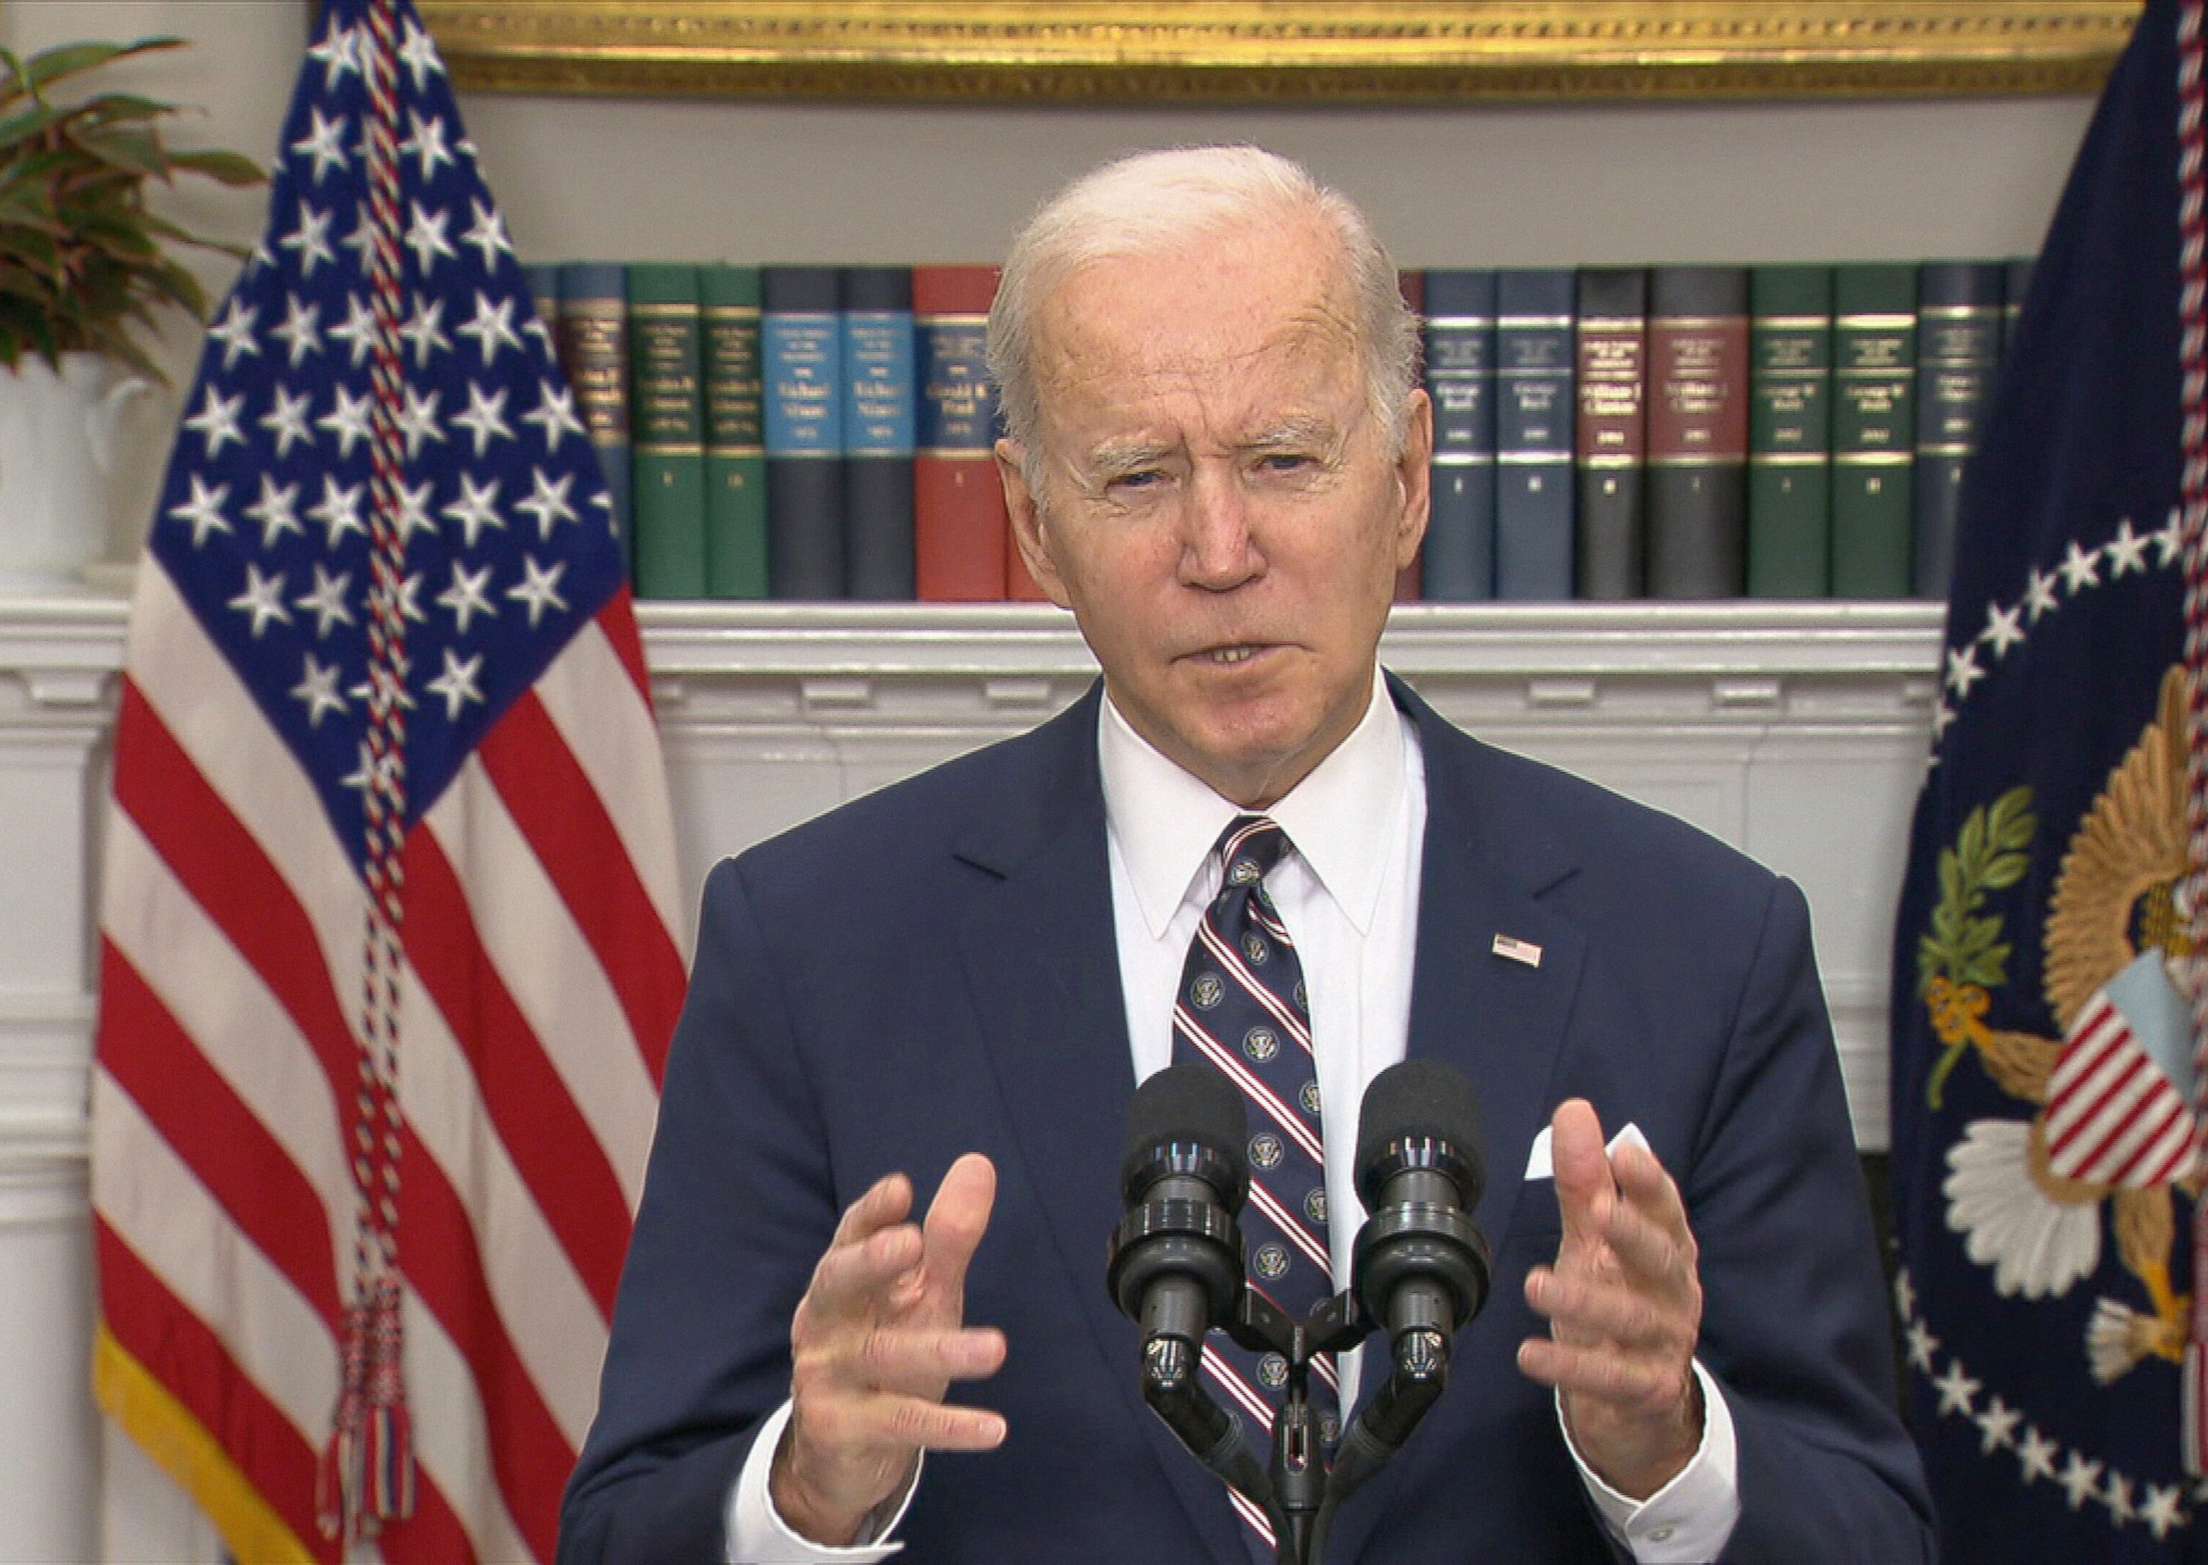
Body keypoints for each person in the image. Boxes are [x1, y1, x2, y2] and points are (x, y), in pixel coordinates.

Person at [560, 145, 1931, 1563]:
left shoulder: (1701, 942)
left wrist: (1672, 1453)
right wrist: (807, 1491)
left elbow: (1875, 1530)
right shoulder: (815, 945)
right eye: (1141, 475)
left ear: (1406, 480)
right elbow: (624, 1530)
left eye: (1284, 460)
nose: (1220, 548)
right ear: (1033, 523)